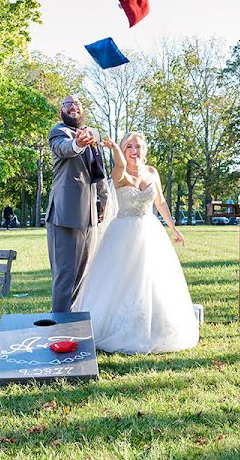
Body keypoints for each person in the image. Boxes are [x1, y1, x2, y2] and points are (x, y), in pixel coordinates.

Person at [73, 132, 199, 353]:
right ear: (123, 151)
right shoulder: (118, 173)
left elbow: (160, 202)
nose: (134, 151)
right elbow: (120, 164)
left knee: (154, 279)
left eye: (138, 146)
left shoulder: (152, 172)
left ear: (145, 150)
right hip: (123, 234)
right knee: (123, 280)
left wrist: (174, 228)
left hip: (150, 231)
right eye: (129, 146)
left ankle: (157, 324)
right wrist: (113, 147)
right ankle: (119, 324)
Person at [45, 95, 109, 313]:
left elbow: (98, 171)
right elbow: (65, 148)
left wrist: (104, 200)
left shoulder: (93, 134)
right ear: (61, 111)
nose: (73, 106)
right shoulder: (58, 132)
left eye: (77, 104)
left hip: (90, 216)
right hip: (65, 216)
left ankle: (75, 322)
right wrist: (78, 143)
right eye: (68, 104)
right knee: (65, 276)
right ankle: (59, 325)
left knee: (83, 275)